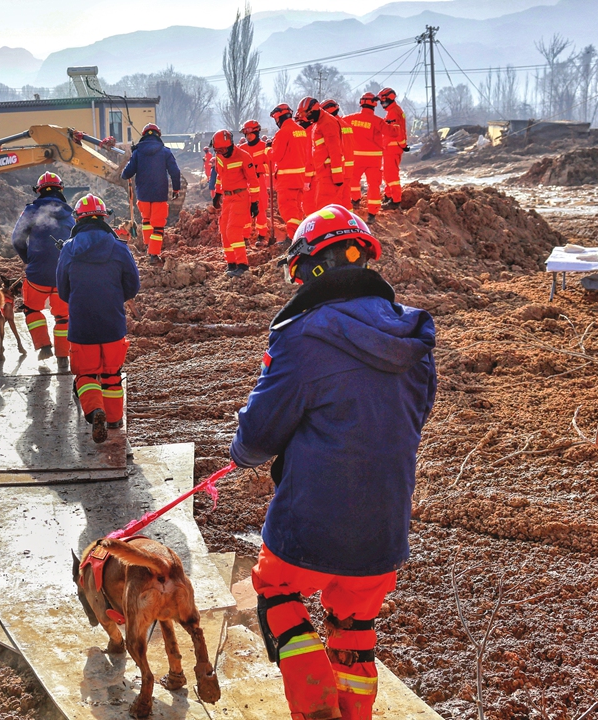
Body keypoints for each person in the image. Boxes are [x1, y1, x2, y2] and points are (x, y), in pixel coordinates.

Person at [231, 203, 436, 720]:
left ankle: (314, 703)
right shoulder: (413, 335)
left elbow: (258, 436)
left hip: (310, 520)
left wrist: (242, 453)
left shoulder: (302, 335)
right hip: (385, 527)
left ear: (311, 267)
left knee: (276, 591)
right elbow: (414, 414)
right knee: (353, 628)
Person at [56, 194, 140, 444]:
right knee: (112, 374)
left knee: (86, 375)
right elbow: (133, 285)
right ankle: (114, 419)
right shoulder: (119, 247)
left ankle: (95, 412)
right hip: (113, 325)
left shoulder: (69, 249)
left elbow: (63, 290)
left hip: (82, 327)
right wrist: (114, 299)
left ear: (78, 219)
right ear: (104, 218)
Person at [12, 172, 76, 361]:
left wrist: (28, 260)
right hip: (63, 277)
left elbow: (17, 239)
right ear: (61, 189)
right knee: (64, 317)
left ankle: (44, 346)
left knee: (32, 309)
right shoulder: (70, 215)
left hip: (36, 276)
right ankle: (63, 356)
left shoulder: (31, 211)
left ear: (38, 191)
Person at [120, 123, 181, 263]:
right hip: (159, 195)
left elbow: (126, 174)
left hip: (142, 195)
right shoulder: (165, 152)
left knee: (146, 221)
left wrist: (126, 172)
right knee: (158, 226)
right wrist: (176, 188)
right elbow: (175, 172)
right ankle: (153, 255)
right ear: (158, 135)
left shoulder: (137, 152)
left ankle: (148, 245)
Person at [211, 129, 260, 277]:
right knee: (224, 230)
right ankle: (231, 263)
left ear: (231, 144)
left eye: (224, 149)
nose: (222, 152)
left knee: (233, 230)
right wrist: (218, 193)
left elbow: (253, 181)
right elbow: (220, 175)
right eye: (218, 150)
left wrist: (254, 202)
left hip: (240, 197)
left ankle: (242, 265)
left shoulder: (243, 157)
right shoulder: (219, 156)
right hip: (227, 198)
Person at [300, 96, 347, 216]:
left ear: (312, 110)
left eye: (306, 115)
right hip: (323, 173)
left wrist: (337, 177)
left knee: (326, 208)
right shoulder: (318, 123)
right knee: (322, 207)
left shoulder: (327, 123)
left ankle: (330, 231)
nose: (306, 118)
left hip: (329, 175)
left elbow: (335, 150)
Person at [269, 103, 309, 241]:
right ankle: (300, 234)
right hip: (299, 178)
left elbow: (276, 156)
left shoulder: (283, 132)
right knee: (297, 208)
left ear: (279, 118)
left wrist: (268, 150)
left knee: (288, 209)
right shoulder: (301, 130)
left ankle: (293, 238)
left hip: (287, 179)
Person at [345, 94, 387, 221]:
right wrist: (394, 125)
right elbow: (392, 132)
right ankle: (372, 213)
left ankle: (355, 200)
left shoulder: (349, 119)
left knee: (353, 180)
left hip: (356, 158)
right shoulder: (378, 121)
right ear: (374, 105)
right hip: (374, 160)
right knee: (373, 185)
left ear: (361, 104)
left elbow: (337, 123)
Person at [240, 119, 272, 242]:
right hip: (246, 184)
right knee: (245, 210)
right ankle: (245, 236)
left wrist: (257, 168)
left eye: (250, 134)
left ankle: (262, 235)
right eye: (246, 134)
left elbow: (270, 167)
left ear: (256, 132)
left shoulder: (264, 147)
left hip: (259, 183)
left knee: (260, 209)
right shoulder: (242, 148)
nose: (248, 137)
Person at [322, 99, 354, 209]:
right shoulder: (346, 125)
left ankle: (337, 225)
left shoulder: (331, 126)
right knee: (346, 200)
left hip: (338, 170)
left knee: (335, 201)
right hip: (348, 169)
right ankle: (350, 222)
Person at [378, 88, 408, 209]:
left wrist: (403, 145)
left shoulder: (394, 112)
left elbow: (397, 132)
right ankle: (389, 196)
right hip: (390, 148)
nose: (381, 103)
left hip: (393, 148)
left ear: (390, 99)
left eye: (383, 100)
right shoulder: (393, 111)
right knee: (387, 174)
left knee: (391, 175)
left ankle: (395, 200)